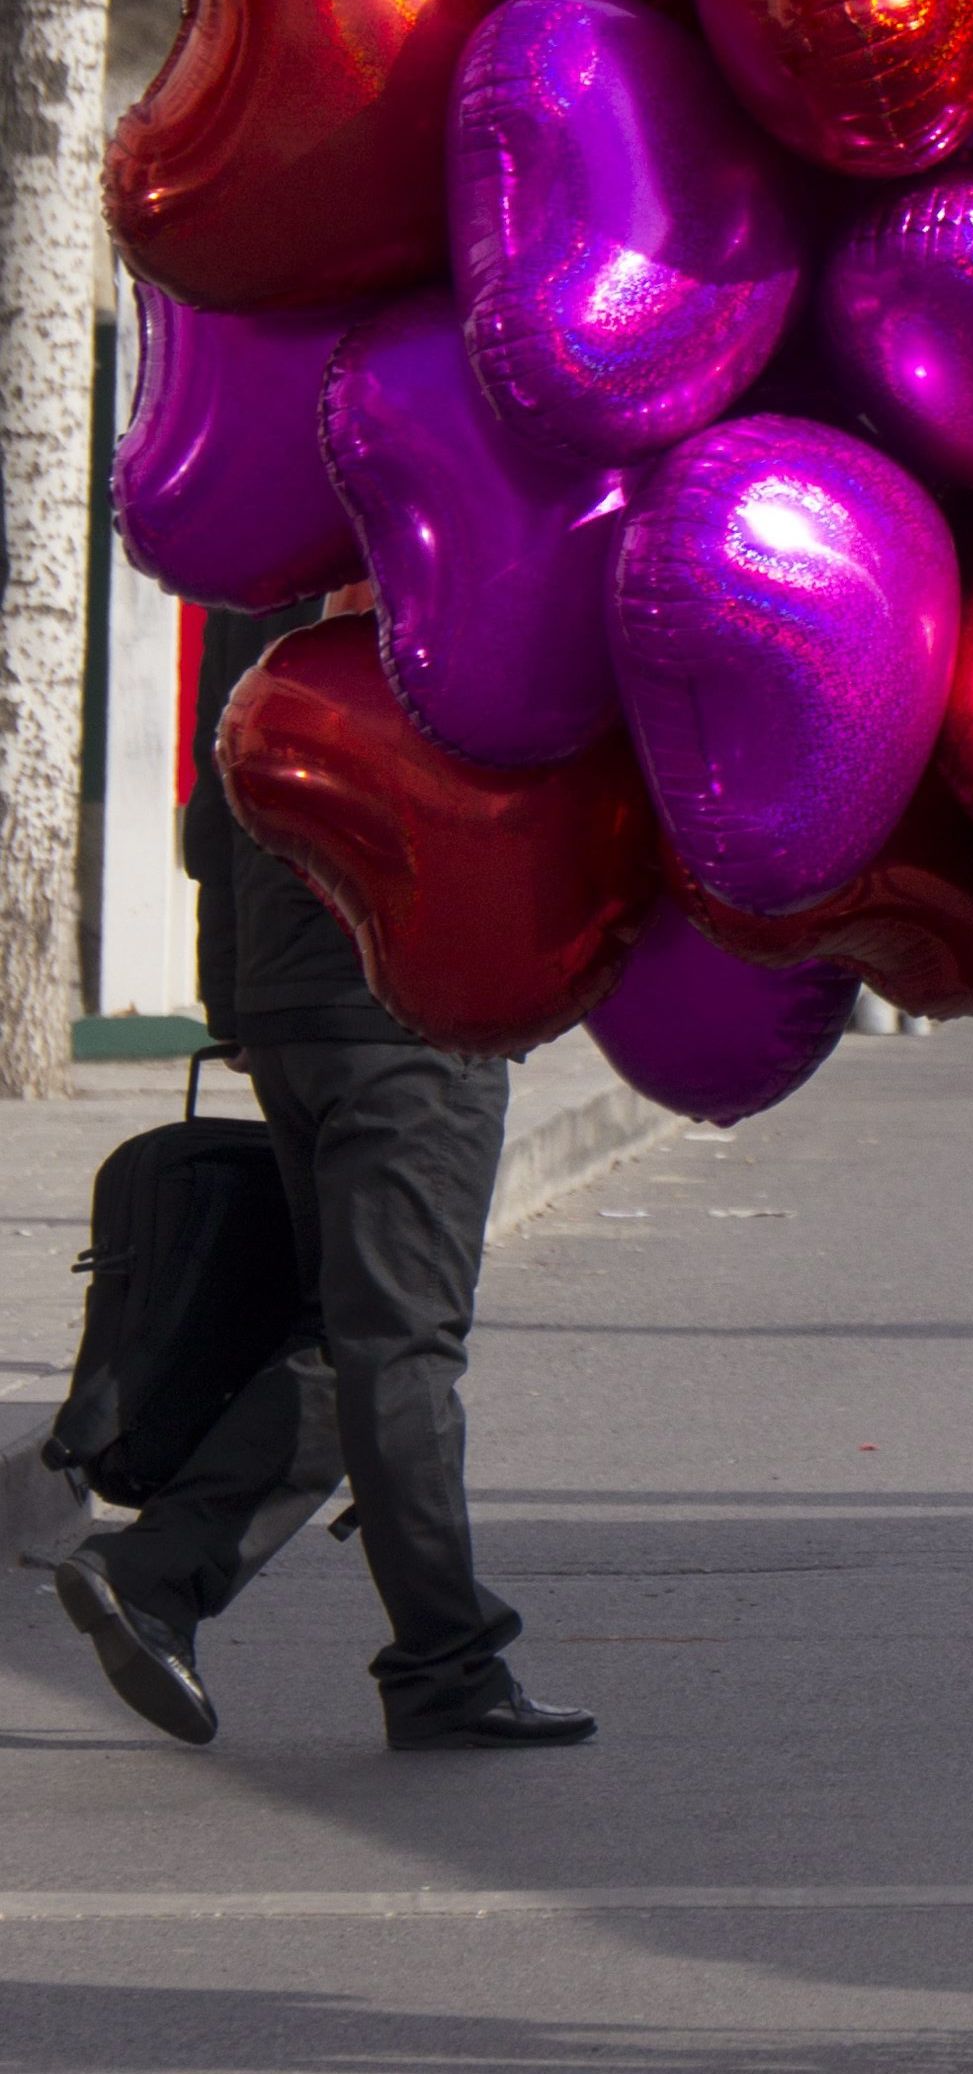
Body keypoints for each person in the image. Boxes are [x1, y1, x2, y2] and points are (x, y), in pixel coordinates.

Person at [53, 601, 594, 1753]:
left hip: (302, 1007)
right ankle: (441, 1663)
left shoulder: (266, 569)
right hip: (414, 991)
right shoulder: (453, 557)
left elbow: (217, 814)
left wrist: (240, 998)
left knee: (348, 1334)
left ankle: (163, 1577)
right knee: (401, 1346)